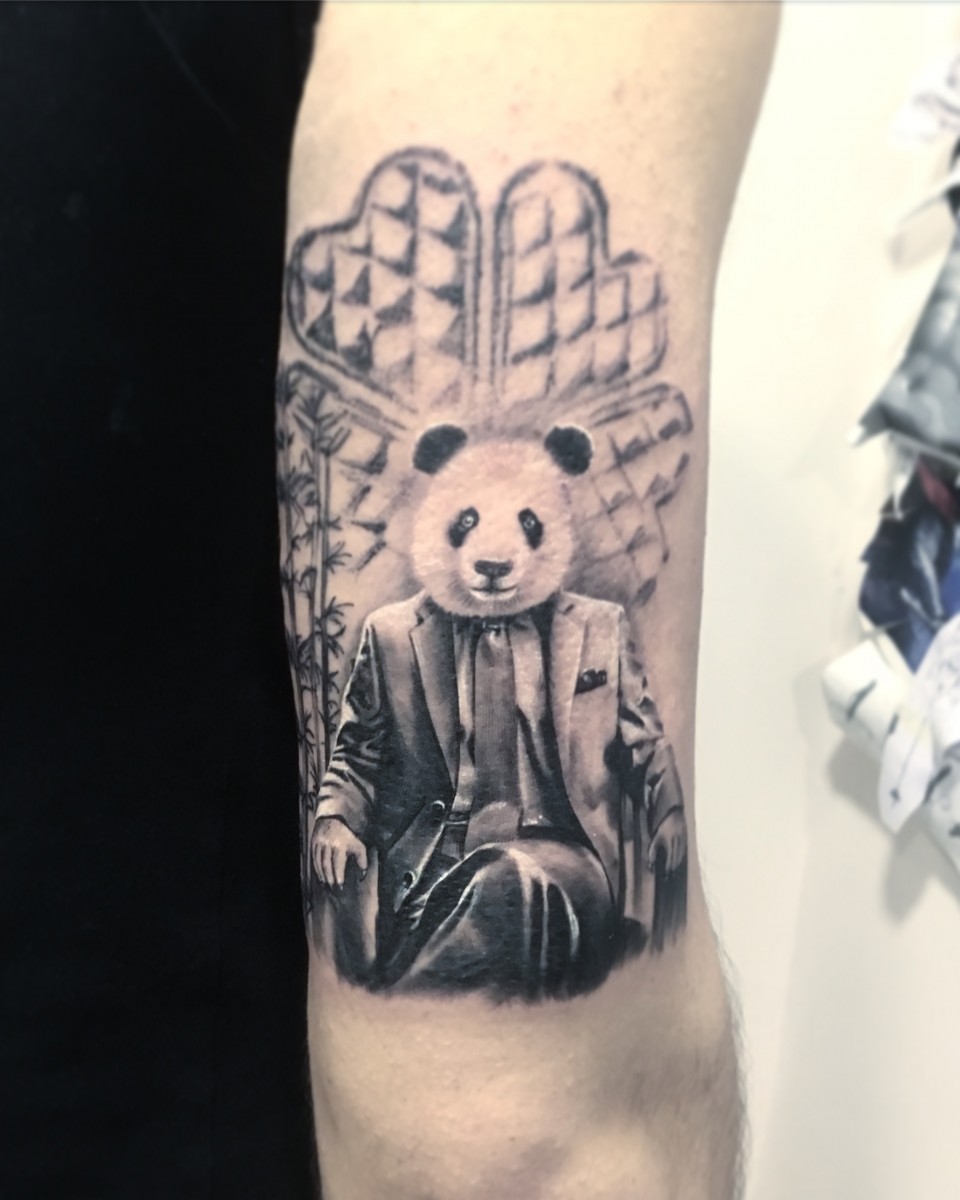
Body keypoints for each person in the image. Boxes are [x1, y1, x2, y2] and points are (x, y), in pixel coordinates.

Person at [2, 4, 779, 1198]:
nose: (494, 556)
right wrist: (338, 815)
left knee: (526, 890)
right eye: (465, 526)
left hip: (542, 879)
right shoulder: (391, 639)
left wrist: (658, 829)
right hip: (306, 998)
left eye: (525, 528)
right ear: (427, 502)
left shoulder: (593, 633)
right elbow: (515, 1144)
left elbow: (634, 758)